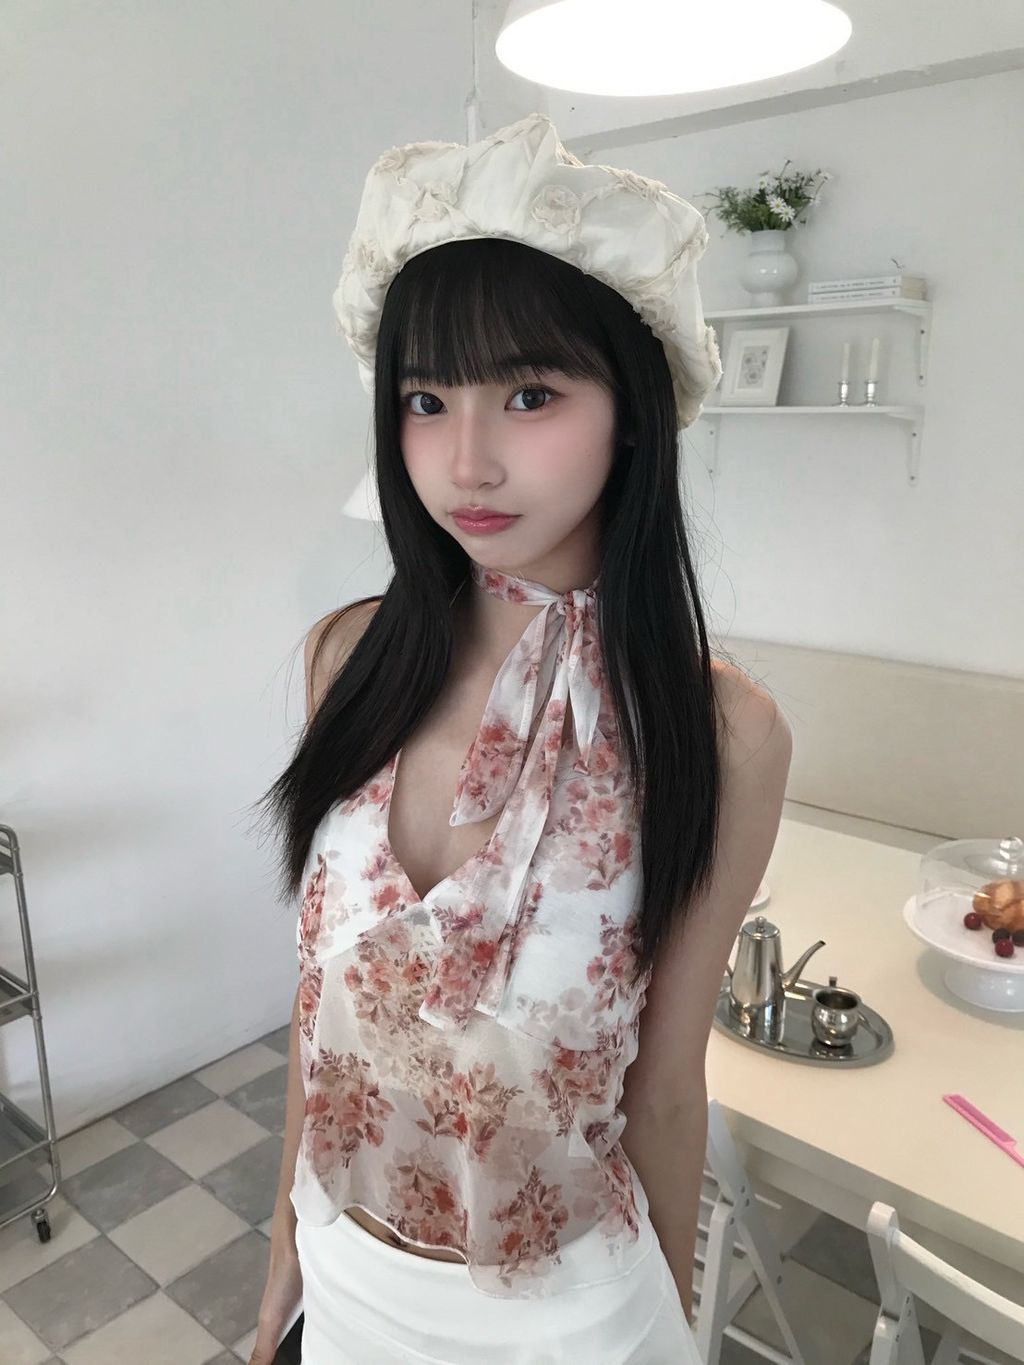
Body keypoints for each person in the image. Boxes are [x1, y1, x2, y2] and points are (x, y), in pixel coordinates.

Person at [248, 112, 792, 1364]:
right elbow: (318, 1011)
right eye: (425, 399)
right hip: (345, 1281)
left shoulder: (720, 732)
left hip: (568, 1320)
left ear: (632, 410)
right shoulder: (350, 658)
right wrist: (282, 1243)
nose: (466, 460)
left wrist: (668, 1323)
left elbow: (665, 1087)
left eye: (531, 394)